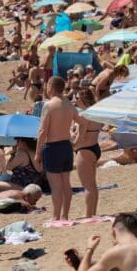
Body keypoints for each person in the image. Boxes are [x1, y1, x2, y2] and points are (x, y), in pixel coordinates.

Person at [36, 76, 81, 221]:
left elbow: (43, 132)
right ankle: (65, 215)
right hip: (66, 145)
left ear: (51, 87)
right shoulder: (69, 105)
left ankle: (55, 217)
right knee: (66, 184)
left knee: (56, 185)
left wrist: (37, 153)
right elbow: (83, 123)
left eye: (47, 85)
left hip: (53, 146)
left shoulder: (49, 105)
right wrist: (77, 142)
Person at [74, 89, 103, 218]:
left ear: (83, 99)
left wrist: (70, 145)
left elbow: (80, 138)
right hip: (95, 148)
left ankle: (88, 215)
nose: (75, 100)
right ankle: (93, 212)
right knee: (92, 185)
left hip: (85, 150)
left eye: (77, 98)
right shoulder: (96, 113)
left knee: (87, 186)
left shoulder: (84, 115)